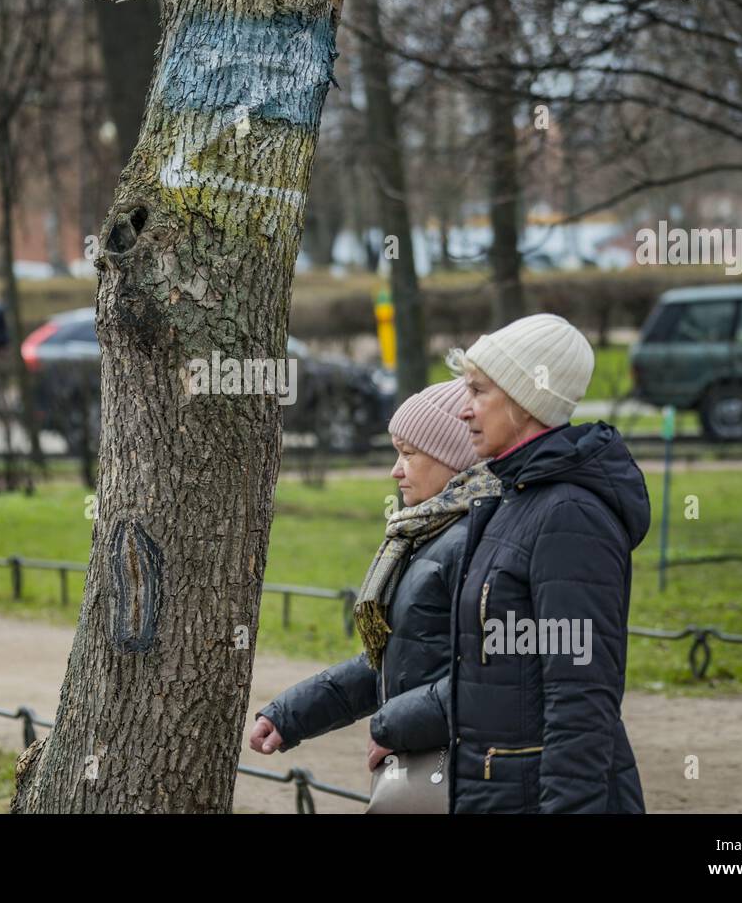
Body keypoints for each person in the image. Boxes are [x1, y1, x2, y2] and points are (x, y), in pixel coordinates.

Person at [249, 379, 502, 790]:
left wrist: (394, 726)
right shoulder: (427, 535)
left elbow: (491, 678)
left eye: (408, 454)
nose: (395, 469)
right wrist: (290, 715)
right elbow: (398, 662)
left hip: (462, 776)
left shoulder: (472, 543)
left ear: (455, 458)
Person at [447, 312, 649, 813]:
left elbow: (581, 695)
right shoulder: (514, 498)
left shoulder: (569, 516)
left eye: (478, 391)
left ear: (525, 399)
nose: (463, 411)